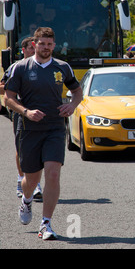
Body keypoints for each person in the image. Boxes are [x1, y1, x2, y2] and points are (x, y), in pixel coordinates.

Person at [4, 27, 83, 240]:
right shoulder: (20, 68)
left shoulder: (63, 67)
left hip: (55, 127)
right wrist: (26, 112)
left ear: (54, 45)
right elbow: (8, 98)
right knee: (31, 180)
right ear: (34, 45)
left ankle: (45, 223)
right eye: (42, 44)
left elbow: (77, 91)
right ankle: (27, 200)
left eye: (49, 44)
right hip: (29, 129)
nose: (46, 47)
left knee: (53, 173)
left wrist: (72, 106)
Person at [0, 37, 43, 200]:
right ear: (24, 50)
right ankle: (22, 180)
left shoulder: (42, 66)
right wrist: (17, 88)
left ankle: (35, 183)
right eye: (30, 48)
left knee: (38, 148)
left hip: (40, 111)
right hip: (21, 112)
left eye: (35, 48)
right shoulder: (15, 67)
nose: (34, 51)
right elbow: (1, 87)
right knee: (22, 148)